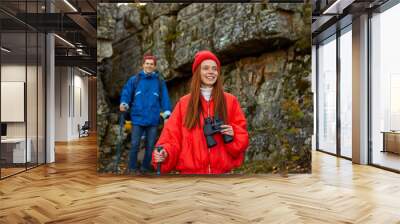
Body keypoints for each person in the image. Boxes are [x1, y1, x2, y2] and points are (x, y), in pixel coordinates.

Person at [152, 50, 249, 174]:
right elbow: (171, 137)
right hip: (190, 177)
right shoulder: (184, 103)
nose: (211, 72)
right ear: (198, 72)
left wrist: (233, 133)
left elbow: (242, 134)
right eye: (206, 68)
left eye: (214, 69)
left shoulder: (230, 101)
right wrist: (165, 152)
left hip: (222, 175)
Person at [120, 54, 172, 174]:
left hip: (153, 119)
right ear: (143, 64)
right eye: (147, 63)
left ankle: (145, 167)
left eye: (151, 64)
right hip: (137, 118)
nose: (149, 66)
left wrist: (167, 112)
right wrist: (124, 103)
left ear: (155, 66)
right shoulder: (135, 79)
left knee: (150, 145)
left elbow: (164, 98)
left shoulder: (159, 81)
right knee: (134, 144)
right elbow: (127, 92)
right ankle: (132, 168)